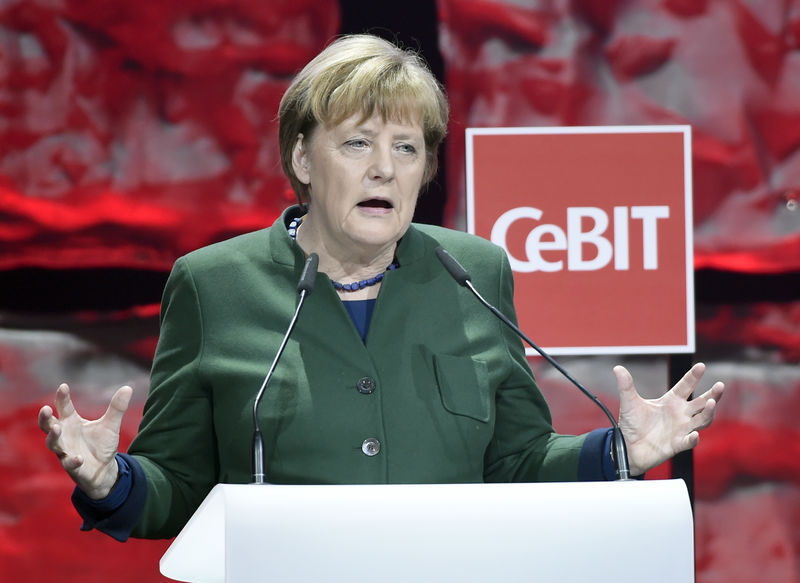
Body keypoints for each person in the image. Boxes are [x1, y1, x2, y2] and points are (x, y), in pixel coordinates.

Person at [38, 34, 725, 542]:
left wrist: (618, 453)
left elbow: (515, 464)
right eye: (357, 143)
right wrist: (112, 480)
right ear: (302, 157)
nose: (385, 170)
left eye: (406, 147)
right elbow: (181, 487)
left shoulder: (474, 272)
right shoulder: (214, 285)